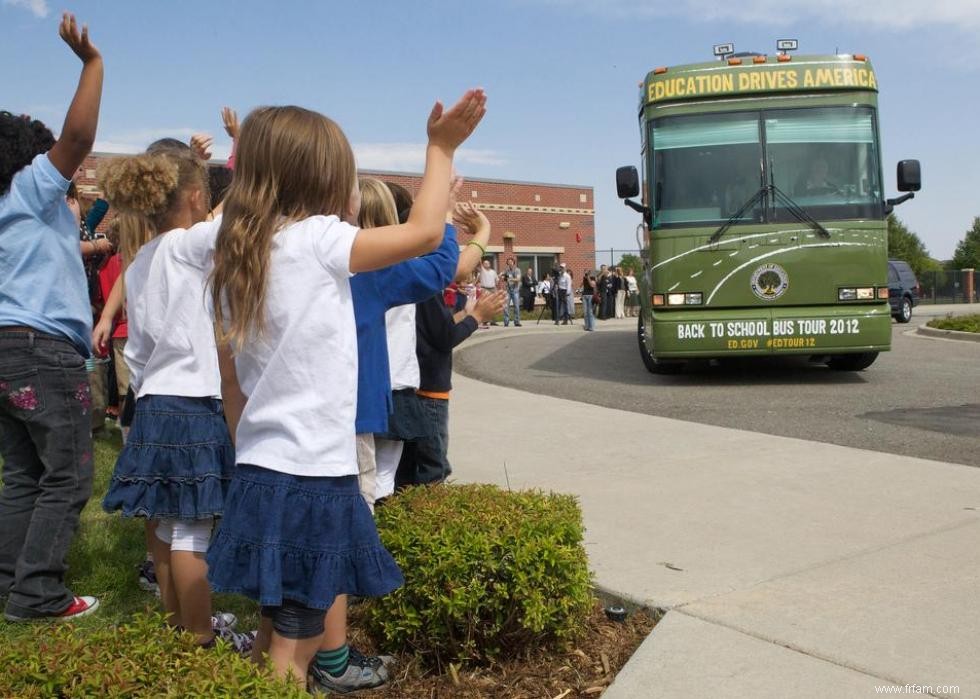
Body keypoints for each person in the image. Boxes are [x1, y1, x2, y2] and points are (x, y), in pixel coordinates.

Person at [206, 90, 487, 691]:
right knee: (297, 639)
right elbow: (423, 234)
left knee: (272, 628)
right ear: (323, 179)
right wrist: (439, 150)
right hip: (312, 474)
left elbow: (230, 380)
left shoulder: (241, 255)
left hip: (260, 468)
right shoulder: (318, 240)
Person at [96, 149, 253, 653]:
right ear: (192, 196)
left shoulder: (140, 260)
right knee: (191, 527)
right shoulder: (188, 245)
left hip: (154, 401)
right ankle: (202, 636)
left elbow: (138, 350)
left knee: (164, 524)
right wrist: (242, 154)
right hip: (190, 402)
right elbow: (240, 214)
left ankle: (178, 623)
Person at [0, 13, 103, 623]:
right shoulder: (30, 189)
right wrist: (93, 64)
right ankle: (39, 595)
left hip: (6, 348)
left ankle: (12, 580)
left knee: (23, 475)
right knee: (66, 477)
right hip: (43, 349)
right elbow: (79, 139)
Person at [350, 177, 459, 511]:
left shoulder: (340, 266)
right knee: (378, 485)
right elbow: (445, 264)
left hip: (352, 397)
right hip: (390, 390)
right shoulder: (387, 272)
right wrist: (446, 215)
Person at [396, 202, 504, 489]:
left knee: (408, 469)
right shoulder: (425, 283)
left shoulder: (406, 274)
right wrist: (477, 316)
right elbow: (444, 338)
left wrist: (465, 313)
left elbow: (434, 329)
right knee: (432, 469)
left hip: (416, 388)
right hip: (429, 391)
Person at [501, 256, 522, 327]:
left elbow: (518, 279)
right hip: (508, 290)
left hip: (515, 290)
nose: (510, 263)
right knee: (506, 306)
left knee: (516, 306)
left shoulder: (517, 270)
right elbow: (504, 278)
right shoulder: (506, 270)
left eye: (511, 262)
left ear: (513, 262)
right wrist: (503, 277)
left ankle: (517, 322)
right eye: (508, 262)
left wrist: (510, 279)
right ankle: (506, 322)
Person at [477, 259, 499, 326]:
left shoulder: (493, 272)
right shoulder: (482, 270)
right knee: (485, 305)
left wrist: (496, 286)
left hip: (492, 289)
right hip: (484, 288)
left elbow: (497, 280)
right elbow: (479, 263)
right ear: (483, 265)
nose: (486, 264)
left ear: (490, 264)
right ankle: (485, 321)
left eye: (488, 263)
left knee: (493, 305)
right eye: (485, 263)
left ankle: (493, 321)